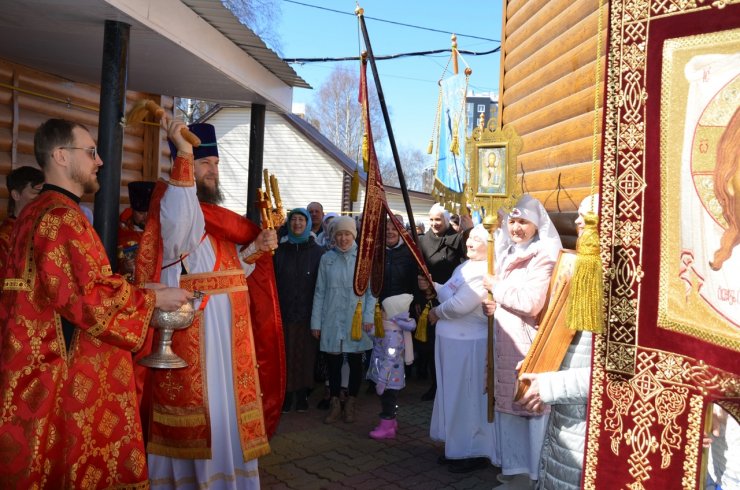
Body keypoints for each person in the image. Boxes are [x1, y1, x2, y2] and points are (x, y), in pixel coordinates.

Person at [0, 118, 191, 488]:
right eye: (90, 152)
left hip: (33, 369)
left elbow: (69, 287)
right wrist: (152, 298)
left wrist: (137, 288)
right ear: (60, 156)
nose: (99, 160)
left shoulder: (34, 212)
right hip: (59, 376)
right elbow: (87, 301)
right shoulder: (61, 217)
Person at [144, 120, 283, 488]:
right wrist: (183, 154)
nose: (212, 171)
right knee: (202, 419)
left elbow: (231, 273)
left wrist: (255, 249)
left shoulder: (218, 221)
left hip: (230, 345)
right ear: (185, 166)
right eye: (204, 163)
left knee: (229, 415)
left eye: (216, 163)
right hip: (199, 340)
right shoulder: (177, 212)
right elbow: (179, 217)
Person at [514, 195, 598, 490]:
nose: (577, 221)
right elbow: (568, 342)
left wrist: (550, 386)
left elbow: (619, 376)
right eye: (578, 215)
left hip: (591, 432)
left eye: (588, 217)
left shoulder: (627, 287)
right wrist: (539, 365)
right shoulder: (584, 271)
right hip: (566, 422)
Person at [482, 195, 563, 488]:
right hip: (505, 343)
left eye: (523, 222)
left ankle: (533, 477)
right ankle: (514, 473)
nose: (516, 228)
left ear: (536, 225)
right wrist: (492, 307)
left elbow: (531, 303)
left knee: (530, 412)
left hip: (526, 344)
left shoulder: (543, 255)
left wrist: (497, 287)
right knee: (508, 411)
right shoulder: (506, 253)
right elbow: (507, 298)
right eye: (513, 221)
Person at [426, 224, 495, 473]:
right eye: (469, 238)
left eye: (477, 239)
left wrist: (436, 312)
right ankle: (455, 446)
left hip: (469, 345)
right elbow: (448, 293)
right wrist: (433, 285)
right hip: (451, 344)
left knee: (467, 397)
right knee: (452, 394)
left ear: (490, 245)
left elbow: (460, 305)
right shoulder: (464, 266)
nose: (469, 243)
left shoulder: (486, 271)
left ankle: (473, 450)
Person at [311, 215, 374, 424]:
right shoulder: (326, 259)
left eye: (347, 234)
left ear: (354, 235)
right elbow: (319, 291)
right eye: (339, 234)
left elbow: (371, 293)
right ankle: (335, 402)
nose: (343, 238)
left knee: (355, 362)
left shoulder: (363, 260)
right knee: (333, 362)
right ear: (333, 237)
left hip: (356, 319)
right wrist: (316, 323)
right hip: (331, 317)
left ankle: (351, 402)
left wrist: (368, 318)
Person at [414, 203, 470, 401]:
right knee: (431, 346)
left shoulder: (457, 239)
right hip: (428, 297)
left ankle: (452, 384)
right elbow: (416, 271)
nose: (434, 223)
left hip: (452, 297)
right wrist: (419, 297)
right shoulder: (422, 241)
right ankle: (435, 384)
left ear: (446, 220)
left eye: (438, 219)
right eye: (431, 219)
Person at [274, 207, 325, 413]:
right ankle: (286, 394)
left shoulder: (318, 252)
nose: (297, 223)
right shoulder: (279, 251)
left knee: (306, 355)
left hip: (308, 313)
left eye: (301, 220)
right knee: (285, 354)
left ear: (307, 224)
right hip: (285, 312)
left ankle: (302, 393)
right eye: (294, 219)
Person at [366, 293, 416, 440]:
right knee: (388, 400)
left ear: (392, 314)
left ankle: (387, 428)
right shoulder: (387, 328)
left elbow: (390, 358)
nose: (380, 311)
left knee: (388, 401)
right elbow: (377, 336)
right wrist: (368, 330)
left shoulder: (393, 335)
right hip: (387, 375)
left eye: (383, 310)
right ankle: (391, 423)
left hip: (389, 378)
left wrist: (382, 380)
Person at [0, 165, 44, 271]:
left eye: (43, 194)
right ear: (16, 195)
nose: (42, 199)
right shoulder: (4, 238)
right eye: (35, 193)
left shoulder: (46, 228)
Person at [117, 180, 155, 282]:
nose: (146, 217)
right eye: (141, 213)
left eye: (149, 212)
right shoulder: (121, 231)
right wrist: (124, 267)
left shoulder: (160, 230)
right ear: (132, 210)